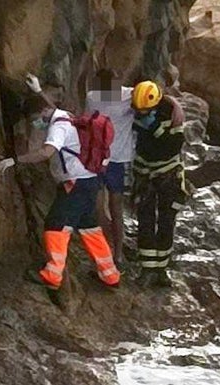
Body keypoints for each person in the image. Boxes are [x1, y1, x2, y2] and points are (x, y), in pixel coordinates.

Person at [0, 96, 121, 291]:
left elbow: (46, 152)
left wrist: (15, 160)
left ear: (44, 111)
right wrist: (37, 91)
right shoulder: (66, 116)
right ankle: (110, 275)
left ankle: (52, 275)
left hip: (75, 184)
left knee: (55, 225)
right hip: (90, 181)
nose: (35, 124)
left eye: (35, 118)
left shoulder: (58, 127)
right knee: (89, 227)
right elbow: (49, 108)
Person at [131, 80, 186, 287]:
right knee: (145, 220)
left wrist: (155, 128)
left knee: (166, 220)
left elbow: (172, 147)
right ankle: (147, 269)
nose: (141, 114)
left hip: (167, 175)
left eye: (145, 111)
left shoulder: (171, 116)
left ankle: (161, 269)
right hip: (144, 174)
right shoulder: (138, 105)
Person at [85, 69, 135, 271]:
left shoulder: (130, 95)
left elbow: (157, 95)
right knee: (98, 209)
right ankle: (105, 252)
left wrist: (176, 106)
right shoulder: (92, 97)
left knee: (116, 207)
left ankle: (118, 254)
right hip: (98, 158)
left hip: (120, 159)